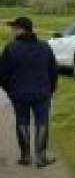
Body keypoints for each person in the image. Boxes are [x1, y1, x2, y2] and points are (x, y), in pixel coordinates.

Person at [0, 17, 58, 168]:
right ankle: (41, 157)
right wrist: (51, 89)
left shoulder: (10, 48)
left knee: (22, 121)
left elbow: (3, 74)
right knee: (42, 122)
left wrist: (10, 90)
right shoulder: (45, 47)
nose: (12, 31)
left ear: (21, 29)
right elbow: (53, 71)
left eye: (14, 28)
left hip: (19, 93)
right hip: (41, 93)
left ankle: (25, 157)